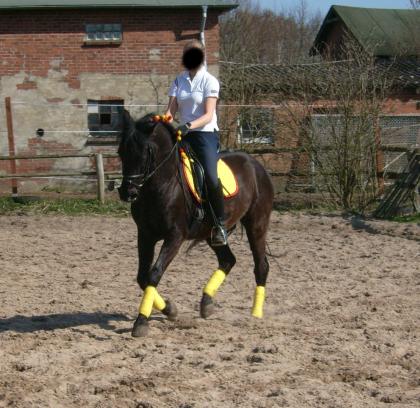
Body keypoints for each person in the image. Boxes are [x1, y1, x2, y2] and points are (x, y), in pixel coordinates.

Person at [164, 39, 227, 246]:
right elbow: (170, 112)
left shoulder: (210, 81)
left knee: (210, 175)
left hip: (204, 134)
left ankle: (220, 224)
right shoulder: (179, 80)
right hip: (184, 133)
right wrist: (160, 122)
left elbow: (209, 115)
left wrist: (188, 126)